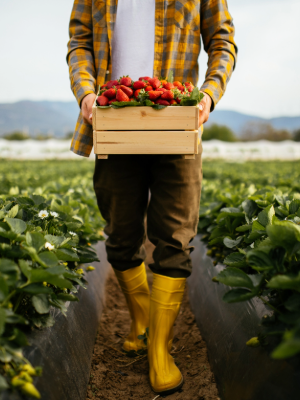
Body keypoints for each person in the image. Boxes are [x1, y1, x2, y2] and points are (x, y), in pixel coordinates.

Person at [67, 0, 237, 395]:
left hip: (176, 119)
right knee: (121, 236)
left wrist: (208, 95)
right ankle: (141, 319)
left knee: (175, 237)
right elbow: (79, 42)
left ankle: (159, 349)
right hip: (114, 118)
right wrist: (86, 93)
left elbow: (223, 42)